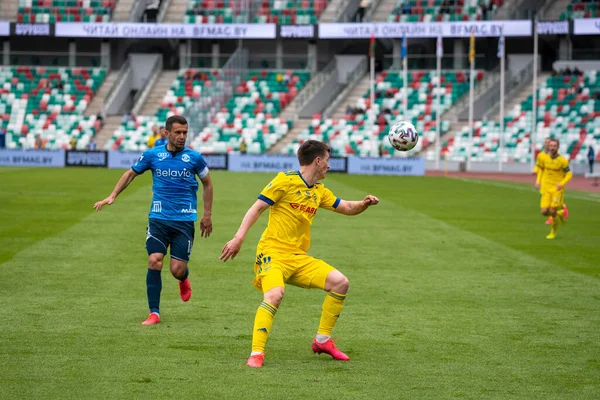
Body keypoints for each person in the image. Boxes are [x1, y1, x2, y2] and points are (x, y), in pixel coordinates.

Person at [220, 140, 380, 368]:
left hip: (297, 258)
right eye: (327, 160)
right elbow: (257, 207)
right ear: (317, 160)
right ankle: (256, 353)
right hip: (272, 253)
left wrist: (364, 204)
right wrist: (238, 238)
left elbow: (346, 207)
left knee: (340, 283)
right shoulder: (284, 180)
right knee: (275, 294)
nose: (329, 165)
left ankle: (322, 341)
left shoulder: (319, 191)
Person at [93, 115, 214, 325]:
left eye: (185, 132)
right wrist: (112, 195)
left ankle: (183, 278)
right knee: (154, 260)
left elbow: (208, 184)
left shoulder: (194, 158)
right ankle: (154, 313)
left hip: (184, 221)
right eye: (178, 132)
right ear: (167, 133)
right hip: (158, 219)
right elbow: (130, 173)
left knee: (176, 270)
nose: (182, 136)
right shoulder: (152, 155)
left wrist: (207, 215)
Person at [536, 138, 572, 240]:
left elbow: (569, 174)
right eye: (550, 146)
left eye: (554, 146)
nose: (552, 148)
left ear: (558, 147)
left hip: (556, 189)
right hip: (546, 188)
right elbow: (541, 170)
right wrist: (538, 181)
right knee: (544, 212)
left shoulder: (562, 160)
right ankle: (560, 213)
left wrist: (562, 183)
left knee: (552, 211)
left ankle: (553, 232)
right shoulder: (545, 158)